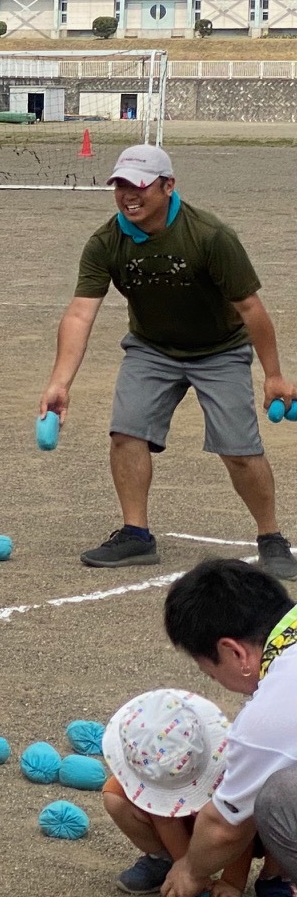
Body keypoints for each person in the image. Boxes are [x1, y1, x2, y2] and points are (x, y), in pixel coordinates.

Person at [39, 144, 296, 575]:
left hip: (220, 349)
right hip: (152, 348)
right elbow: (81, 311)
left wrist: (274, 375)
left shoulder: (209, 236)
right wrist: (60, 382)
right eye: (120, 186)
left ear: (168, 185)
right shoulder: (107, 241)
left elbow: (251, 309)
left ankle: (271, 537)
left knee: (239, 451)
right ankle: (136, 535)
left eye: (138, 186)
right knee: (126, 433)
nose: (128, 196)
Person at [157, 558, 297, 897]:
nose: (220, 683)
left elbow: (224, 828)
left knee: (279, 797)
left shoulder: (271, 708)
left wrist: (191, 871)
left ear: (234, 652)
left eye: (213, 672)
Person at [96, 686, 267, 897]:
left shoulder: (235, 765)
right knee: (116, 796)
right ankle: (165, 861)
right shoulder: (153, 772)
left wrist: (232, 881)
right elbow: (164, 816)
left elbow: (240, 821)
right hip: (196, 824)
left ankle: (276, 878)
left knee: (276, 799)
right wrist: (188, 868)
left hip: (247, 830)